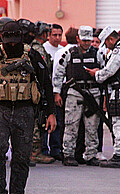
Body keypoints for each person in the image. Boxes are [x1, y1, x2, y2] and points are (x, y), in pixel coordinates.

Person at [0, 21, 56, 194]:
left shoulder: (32, 55)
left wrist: (50, 113)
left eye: (16, 41)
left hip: (25, 111)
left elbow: (46, 82)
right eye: (9, 41)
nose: (12, 45)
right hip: (1, 111)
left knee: (21, 159)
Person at [87, 26, 120, 168]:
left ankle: (118, 156)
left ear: (111, 39)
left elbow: (109, 71)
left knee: (119, 124)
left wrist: (96, 74)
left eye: (106, 43)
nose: (107, 47)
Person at [53, 25, 101, 166]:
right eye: (84, 40)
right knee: (71, 125)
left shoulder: (97, 54)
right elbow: (58, 74)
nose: (86, 43)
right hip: (74, 93)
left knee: (92, 126)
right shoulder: (69, 53)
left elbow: (105, 72)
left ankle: (91, 155)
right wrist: (57, 93)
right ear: (78, 38)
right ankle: (68, 154)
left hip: (93, 94)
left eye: (88, 40)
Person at [30, 21, 55, 164]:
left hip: (38, 89)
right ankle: (34, 152)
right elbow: (43, 71)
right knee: (36, 121)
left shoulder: (36, 48)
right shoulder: (37, 49)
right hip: (38, 90)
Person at [42, 24, 64, 161]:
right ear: (49, 35)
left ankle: (55, 148)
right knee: (45, 120)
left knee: (58, 119)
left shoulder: (63, 50)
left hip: (58, 90)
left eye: (59, 35)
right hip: (45, 89)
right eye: (54, 35)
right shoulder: (43, 48)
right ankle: (43, 149)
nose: (57, 38)